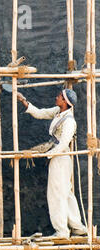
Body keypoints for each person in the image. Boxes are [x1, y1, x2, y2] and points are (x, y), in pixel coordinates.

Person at [17, 88, 87, 238]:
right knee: (65, 192)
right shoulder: (57, 112)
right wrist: (24, 101)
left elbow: (63, 144)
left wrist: (48, 155)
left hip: (61, 158)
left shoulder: (69, 121)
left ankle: (62, 230)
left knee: (56, 194)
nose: (57, 97)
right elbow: (40, 113)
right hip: (57, 157)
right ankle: (77, 226)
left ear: (65, 102)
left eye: (60, 96)